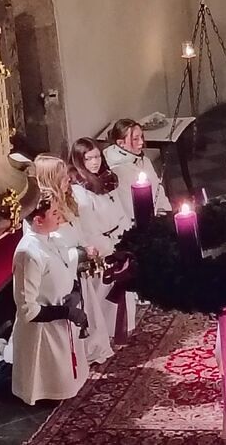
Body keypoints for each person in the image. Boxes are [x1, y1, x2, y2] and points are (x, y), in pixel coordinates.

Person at [10, 194, 89, 405]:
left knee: (69, 377)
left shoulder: (53, 240)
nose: (60, 216)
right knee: (49, 386)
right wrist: (66, 312)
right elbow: (28, 309)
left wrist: (74, 292)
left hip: (61, 325)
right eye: (54, 213)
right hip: (42, 332)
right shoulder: (28, 253)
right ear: (38, 220)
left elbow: (65, 268)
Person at [35, 155, 113, 365]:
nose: (68, 179)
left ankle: (89, 349)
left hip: (77, 271)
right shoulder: (43, 213)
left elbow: (75, 232)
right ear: (50, 179)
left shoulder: (66, 201)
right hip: (61, 280)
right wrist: (79, 253)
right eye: (62, 177)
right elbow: (50, 252)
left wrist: (86, 249)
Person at [69, 138, 136, 340]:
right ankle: (106, 333)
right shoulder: (80, 191)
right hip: (103, 248)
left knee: (126, 288)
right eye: (88, 159)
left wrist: (127, 237)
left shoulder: (108, 180)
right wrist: (111, 249)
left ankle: (125, 327)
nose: (95, 162)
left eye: (97, 156)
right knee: (105, 294)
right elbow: (88, 228)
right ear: (79, 161)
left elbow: (119, 210)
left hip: (118, 239)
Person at [104, 118, 172, 222]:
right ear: (121, 143)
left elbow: (158, 190)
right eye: (135, 139)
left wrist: (165, 211)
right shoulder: (117, 171)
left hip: (159, 218)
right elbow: (129, 209)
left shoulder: (145, 161)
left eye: (141, 137)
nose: (141, 142)